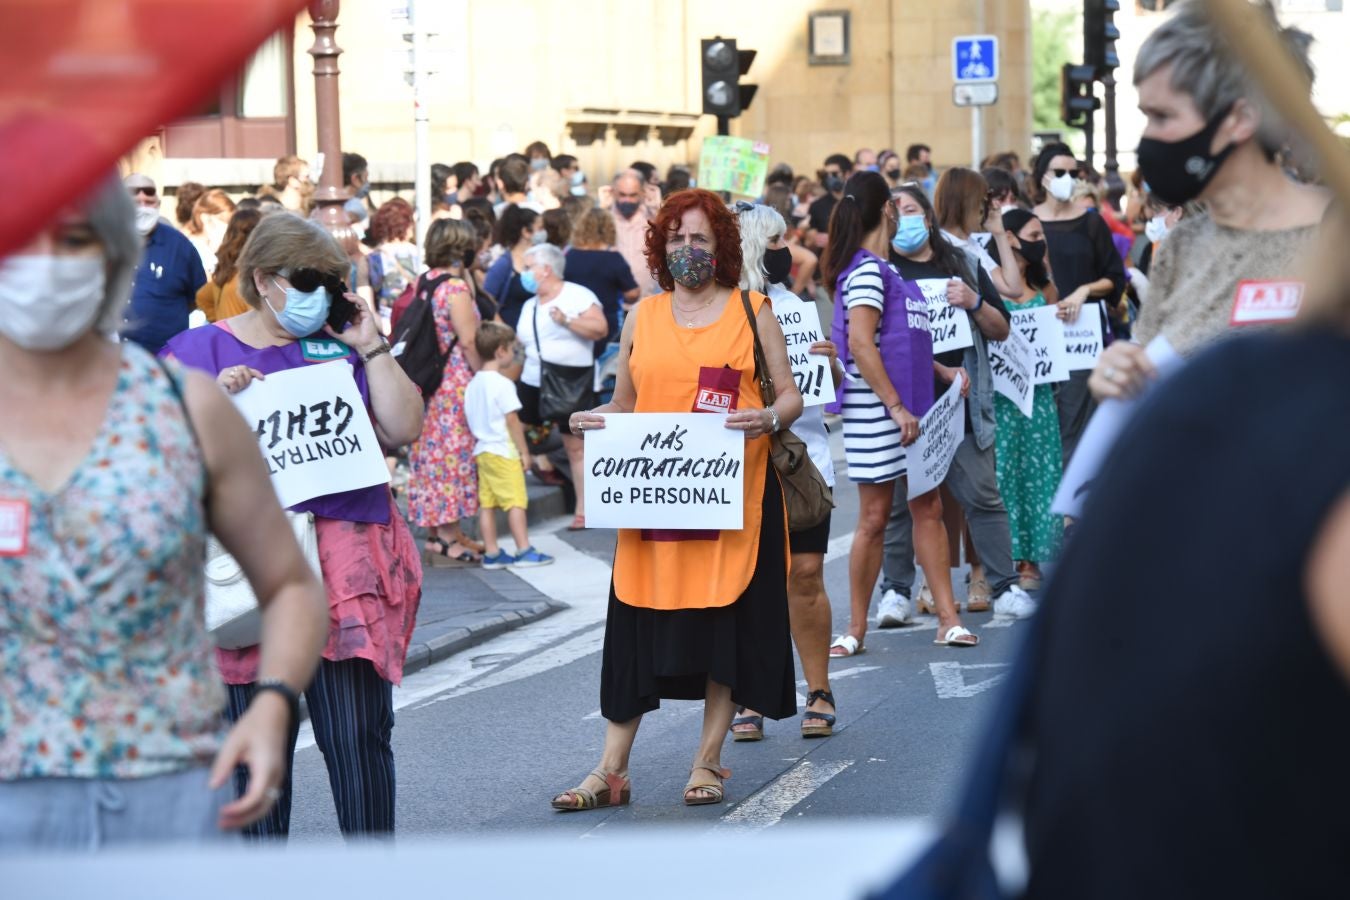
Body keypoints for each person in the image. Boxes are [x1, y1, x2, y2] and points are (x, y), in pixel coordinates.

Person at [0, 174, 328, 851]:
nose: (47, 264)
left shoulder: (186, 407)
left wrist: (272, 704)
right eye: (23, 240)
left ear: (115, 256)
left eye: (74, 240)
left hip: (168, 790)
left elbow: (292, 586)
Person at [163, 212, 424, 839]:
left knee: (357, 736)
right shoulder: (194, 353)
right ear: (263, 278)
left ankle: (373, 876)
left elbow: (404, 426)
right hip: (244, 570)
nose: (321, 296)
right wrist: (213, 404)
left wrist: (371, 345)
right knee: (253, 753)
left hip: (345, 568)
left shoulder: (342, 344)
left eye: (332, 282)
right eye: (307, 280)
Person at [557, 188, 802, 810]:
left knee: (723, 631)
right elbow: (625, 402)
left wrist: (768, 418)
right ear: (659, 247)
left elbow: (789, 395)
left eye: (699, 238)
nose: (687, 248)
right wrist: (595, 418)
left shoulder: (753, 310)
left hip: (734, 504)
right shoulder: (643, 316)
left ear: (722, 245)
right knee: (635, 632)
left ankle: (707, 761)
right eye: (675, 238)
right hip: (656, 504)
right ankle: (611, 771)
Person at [1089, 0, 1326, 404]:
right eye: (1146, 117)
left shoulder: (1334, 236)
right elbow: (1150, 372)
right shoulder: (1181, 247)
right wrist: (1117, 376)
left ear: (1240, 120)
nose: (1148, 139)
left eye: (1163, 117)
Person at [822, 172, 978, 656]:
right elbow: (861, 345)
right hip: (881, 412)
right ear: (887, 210)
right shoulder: (868, 272)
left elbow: (899, 342)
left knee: (927, 509)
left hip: (909, 407)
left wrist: (942, 371)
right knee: (874, 517)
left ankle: (948, 620)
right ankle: (855, 628)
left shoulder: (885, 271)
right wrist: (894, 406)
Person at [880, 183, 1035, 623]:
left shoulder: (963, 264)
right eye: (894, 211)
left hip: (961, 403)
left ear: (928, 218)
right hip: (904, 404)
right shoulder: (882, 271)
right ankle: (895, 591)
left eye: (910, 209)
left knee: (983, 498)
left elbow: (1001, 329)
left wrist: (974, 301)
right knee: (899, 505)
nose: (903, 218)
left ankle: (1005, 586)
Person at [730, 203, 841, 741]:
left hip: (802, 461)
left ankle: (819, 689)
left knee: (806, 573)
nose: (786, 251)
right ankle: (751, 692)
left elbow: (823, 391)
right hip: (739, 465)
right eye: (775, 241)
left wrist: (830, 362)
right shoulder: (720, 311)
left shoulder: (794, 305)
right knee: (750, 582)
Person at [1030, 142, 1126, 464]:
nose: (1067, 179)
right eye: (1059, 172)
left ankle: (1071, 490)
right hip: (1038, 334)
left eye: (1073, 173)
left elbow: (1114, 276)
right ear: (1042, 176)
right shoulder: (1027, 223)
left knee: (1075, 419)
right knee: (1041, 418)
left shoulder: (1091, 222)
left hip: (1080, 335)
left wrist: (1084, 290)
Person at [407, 218, 487, 565]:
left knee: (434, 457)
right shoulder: (455, 289)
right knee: (453, 459)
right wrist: (484, 375)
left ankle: (444, 532)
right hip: (454, 383)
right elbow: (468, 340)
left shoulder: (425, 281)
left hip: (429, 382)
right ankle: (447, 538)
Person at [994, 209, 1064, 589]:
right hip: (1002, 400)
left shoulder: (1046, 288)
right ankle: (1008, 557)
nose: (1041, 242)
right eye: (1034, 235)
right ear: (1010, 237)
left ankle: (1032, 561)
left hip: (1038, 399)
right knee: (1004, 475)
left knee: (1038, 476)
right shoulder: (990, 280)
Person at [516, 243, 607, 530]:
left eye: (528, 267)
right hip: (533, 381)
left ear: (546, 269)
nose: (524, 273)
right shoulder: (529, 305)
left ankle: (584, 510)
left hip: (570, 382)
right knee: (519, 435)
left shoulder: (578, 295)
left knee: (575, 446)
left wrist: (566, 320)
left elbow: (600, 329)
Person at [466, 321, 554, 570]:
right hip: (503, 451)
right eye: (512, 350)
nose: (514, 355)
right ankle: (523, 549)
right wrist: (524, 451)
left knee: (488, 504)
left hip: (483, 451)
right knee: (516, 501)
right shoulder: (503, 384)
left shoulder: (473, 384)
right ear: (500, 351)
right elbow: (512, 420)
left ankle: (492, 552)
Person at [120, 173, 207, 355]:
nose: (143, 206)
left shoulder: (180, 246)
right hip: (113, 358)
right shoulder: (104, 243)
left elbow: (198, 297)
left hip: (166, 359)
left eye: (149, 201)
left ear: (158, 204)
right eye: (135, 201)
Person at [934, 167, 1024, 300]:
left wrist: (999, 233)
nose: (987, 207)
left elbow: (1013, 288)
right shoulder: (938, 244)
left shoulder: (971, 244)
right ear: (965, 203)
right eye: (982, 200)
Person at [566, 207, 640, 350]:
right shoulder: (613, 258)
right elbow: (632, 293)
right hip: (607, 323)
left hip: (576, 322)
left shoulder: (570, 255)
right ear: (609, 229)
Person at [196, 207, 263, 322]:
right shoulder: (250, 276)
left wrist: (218, 321)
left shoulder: (227, 272)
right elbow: (258, 319)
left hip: (228, 331)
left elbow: (202, 297)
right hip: (242, 332)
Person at [482, 204, 542, 329]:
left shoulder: (543, 259)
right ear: (526, 232)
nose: (544, 233)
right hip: (512, 331)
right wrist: (505, 331)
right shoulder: (504, 264)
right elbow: (487, 301)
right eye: (540, 228)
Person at [604, 169, 661, 296]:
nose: (627, 200)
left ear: (642, 193)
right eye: (622, 195)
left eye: (633, 195)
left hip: (648, 298)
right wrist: (602, 211)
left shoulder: (653, 218)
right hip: (613, 300)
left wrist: (657, 210)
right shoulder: (604, 217)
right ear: (613, 192)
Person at [367, 197, 420, 327]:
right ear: (407, 225)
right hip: (416, 322)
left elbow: (367, 307)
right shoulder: (420, 254)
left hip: (386, 322)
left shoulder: (371, 258)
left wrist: (387, 330)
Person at [805, 153, 851, 253]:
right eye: (826, 175)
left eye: (834, 174)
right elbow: (810, 244)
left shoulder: (857, 202)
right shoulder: (817, 206)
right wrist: (814, 240)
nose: (830, 178)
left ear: (847, 174)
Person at [184, 188, 236, 276]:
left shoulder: (211, 248)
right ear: (205, 218)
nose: (230, 228)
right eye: (226, 221)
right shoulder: (192, 249)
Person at [342, 152, 371, 224]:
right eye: (365, 178)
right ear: (355, 179)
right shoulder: (356, 207)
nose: (367, 183)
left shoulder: (321, 206)